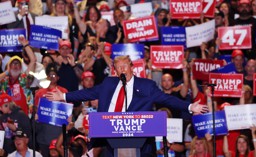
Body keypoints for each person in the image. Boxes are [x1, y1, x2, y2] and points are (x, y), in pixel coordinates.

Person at [46, 55, 208, 156]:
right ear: (115, 71)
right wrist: (64, 96)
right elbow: (88, 93)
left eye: (125, 66)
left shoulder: (146, 86)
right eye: (118, 68)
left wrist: (189, 107)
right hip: (108, 140)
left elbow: (166, 99)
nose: (122, 70)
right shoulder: (109, 83)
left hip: (139, 141)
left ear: (132, 68)